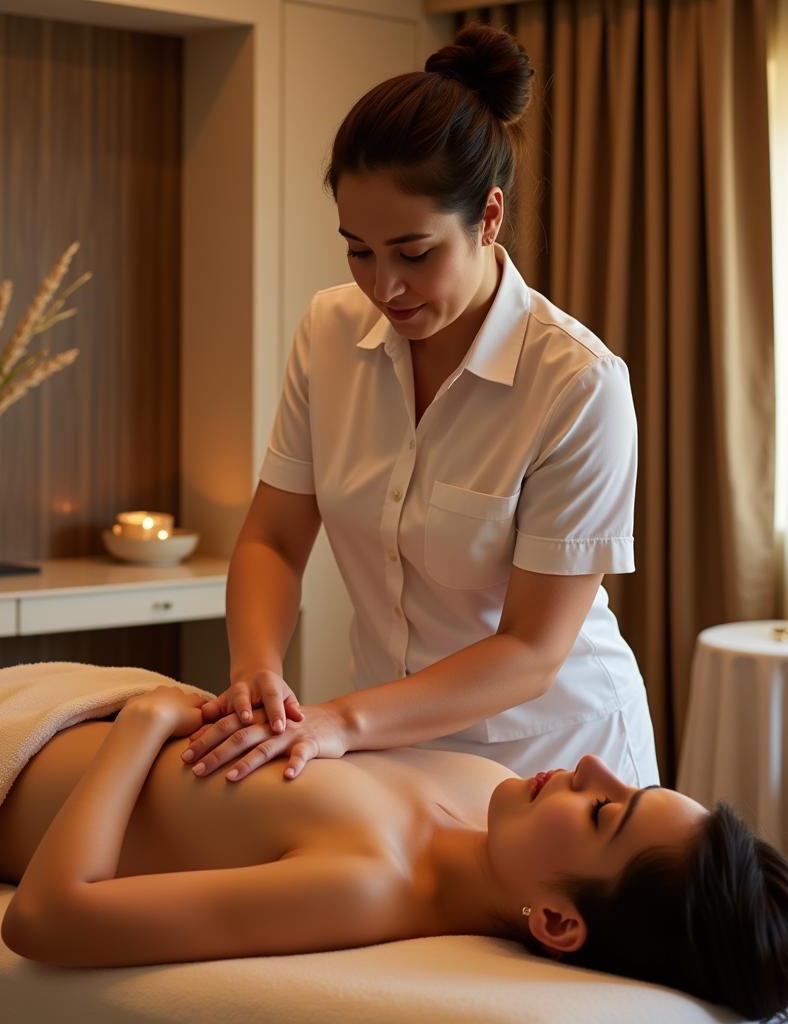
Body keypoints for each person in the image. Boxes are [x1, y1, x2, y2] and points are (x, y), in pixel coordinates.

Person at [182, 22, 661, 789]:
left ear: (490, 218)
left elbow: (533, 650)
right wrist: (254, 669)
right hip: (390, 752)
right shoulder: (329, 333)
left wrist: (342, 720)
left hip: (554, 763)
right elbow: (274, 538)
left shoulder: (576, 384)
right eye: (358, 250)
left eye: (415, 253)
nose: (384, 288)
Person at [0, 686, 788, 1023]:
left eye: (604, 810)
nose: (589, 765)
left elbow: (48, 918)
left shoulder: (366, 886)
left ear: (560, 923)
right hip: (38, 704)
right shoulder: (481, 781)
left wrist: (142, 727)